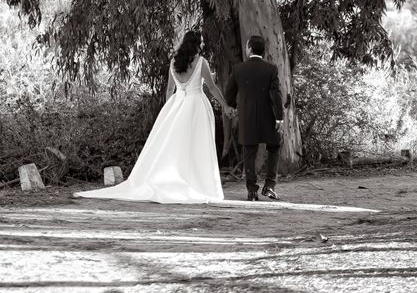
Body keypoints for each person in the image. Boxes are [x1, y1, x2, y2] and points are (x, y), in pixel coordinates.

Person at [74, 31, 233, 204]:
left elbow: (169, 89)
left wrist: (169, 111)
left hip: (177, 103)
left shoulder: (174, 62)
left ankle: (174, 179)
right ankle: (196, 182)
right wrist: (225, 105)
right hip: (196, 106)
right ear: (196, 44)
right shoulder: (201, 63)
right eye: (201, 42)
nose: (203, 45)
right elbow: (212, 87)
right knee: (196, 145)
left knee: (175, 145)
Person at [224, 35, 284, 201]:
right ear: (263, 50)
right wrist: (279, 118)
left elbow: (229, 94)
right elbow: (276, 95)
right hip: (269, 117)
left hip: (247, 117)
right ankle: (270, 186)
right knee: (274, 147)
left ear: (249, 48)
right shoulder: (271, 69)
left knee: (249, 153)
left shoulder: (238, 69)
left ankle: (252, 191)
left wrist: (233, 107)